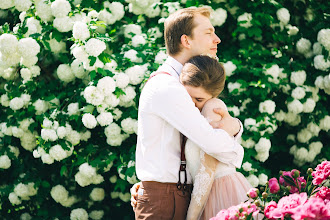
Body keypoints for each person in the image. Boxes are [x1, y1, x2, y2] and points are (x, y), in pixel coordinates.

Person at [133, 7, 244, 220]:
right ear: (186, 41)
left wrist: (234, 126)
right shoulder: (166, 86)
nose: (217, 39)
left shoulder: (189, 83)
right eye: (208, 32)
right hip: (165, 199)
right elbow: (209, 141)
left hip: (180, 194)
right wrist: (237, 147)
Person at [179, 55, 252, 220]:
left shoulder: (212, 107)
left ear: (213, 95)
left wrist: (192, 216)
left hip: (220, 189)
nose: (191, 103)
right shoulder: (194, 111)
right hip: (209, 191)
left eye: (198, 99)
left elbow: (208, 167)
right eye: (187, 96)